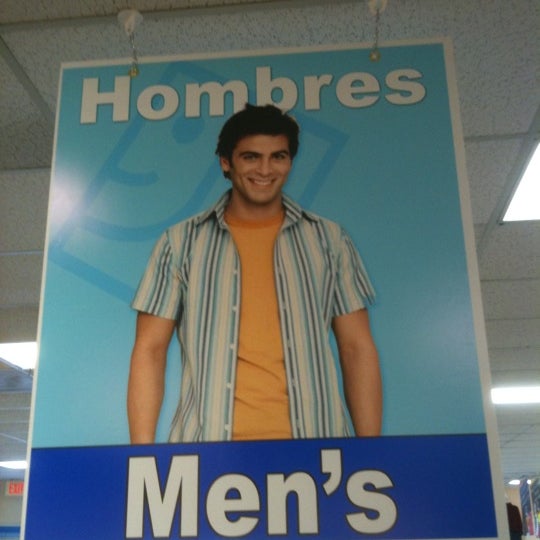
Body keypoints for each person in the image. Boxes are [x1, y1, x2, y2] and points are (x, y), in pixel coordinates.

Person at [128, 103, 381, 443]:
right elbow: (150, 350)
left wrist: (371, 453)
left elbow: (356, 348)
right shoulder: (180, 243)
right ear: (226, 162)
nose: (265, 169)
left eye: (278, 156)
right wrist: (141, 457)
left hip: (318, 450)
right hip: (208, 453)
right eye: (251, 157)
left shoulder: (329, 240)